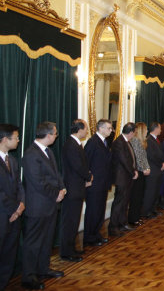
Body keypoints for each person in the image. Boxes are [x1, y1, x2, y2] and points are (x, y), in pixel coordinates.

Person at [22, 121, 66, 289]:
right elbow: (37, 181)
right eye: (55, 134)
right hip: (39, 205)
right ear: (48, 135)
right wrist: (56, 194)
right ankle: (28, 276)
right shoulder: (31, 154)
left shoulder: (48, 152)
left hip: (51, 204)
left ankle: (43, 268)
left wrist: (61, 188)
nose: (56, 136)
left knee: (47, 239)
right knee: (33, 242)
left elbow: (56, 174)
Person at [60, 119, 92, 263]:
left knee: (74, 220)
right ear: (79, 129)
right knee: (70, 221)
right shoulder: (71, 145)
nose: (87, 131)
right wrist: (88, 176)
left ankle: (71, 248)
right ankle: (66, 252)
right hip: (73, 189)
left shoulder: (75, 144)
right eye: (85, 129)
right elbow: (78, 166)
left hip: (77, 188)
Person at [0, 124, 24, 290]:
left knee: (9, 253)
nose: (18, 140)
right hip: (3, 214)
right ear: (4, 139)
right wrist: (14, 208)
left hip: (15, 214)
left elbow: (19, 185)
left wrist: (21, 205)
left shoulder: (13, 160)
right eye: (15, 137)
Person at [83, 119, 113, 247]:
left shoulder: (105, 142)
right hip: (94, 184)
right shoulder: (92, 142)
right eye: (109, 128)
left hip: (103, 182)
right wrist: (88, 179)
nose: (111, 131)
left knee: (100, 210)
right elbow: (86, 163)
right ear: (100, 128)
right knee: (93, 210)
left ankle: (96, 234)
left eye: (111, 128)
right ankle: (89, 237)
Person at [109, 122, 138, 237]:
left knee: (125, 202)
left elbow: (131, 159)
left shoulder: (126, 142)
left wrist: (134, 170)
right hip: (121, 177)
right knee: (119, 202)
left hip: (127, 177)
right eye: (134, 132)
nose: (134, 134)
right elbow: (124, 160)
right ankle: (113, 227)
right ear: (130, 132)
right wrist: (133, 172)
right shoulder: (119, 142)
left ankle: (122, 223)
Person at [128, 122, 150, 226]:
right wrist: (144, 168)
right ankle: (133, 218)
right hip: (138, 172)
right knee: (136, 196)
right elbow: (137, 158)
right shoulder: (135, 141)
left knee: (139, 195)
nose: (147, 131)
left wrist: (147, 167)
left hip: (142, 172)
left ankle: (137, 216)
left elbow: (143, 158)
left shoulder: (141, 142)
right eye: (146, 129)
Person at [142, 122, 164, 219]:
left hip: (157, 169)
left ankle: (153, 209)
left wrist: (163, 162)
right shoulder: (149, 140)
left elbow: (160, 153)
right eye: (160, 128)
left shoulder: (155, 140)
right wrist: (161, 163)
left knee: (156, 191)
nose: (161, 130)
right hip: (153, 170)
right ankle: (146, 212)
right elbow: (152, 156)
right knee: (150, 192)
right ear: (155, 129)